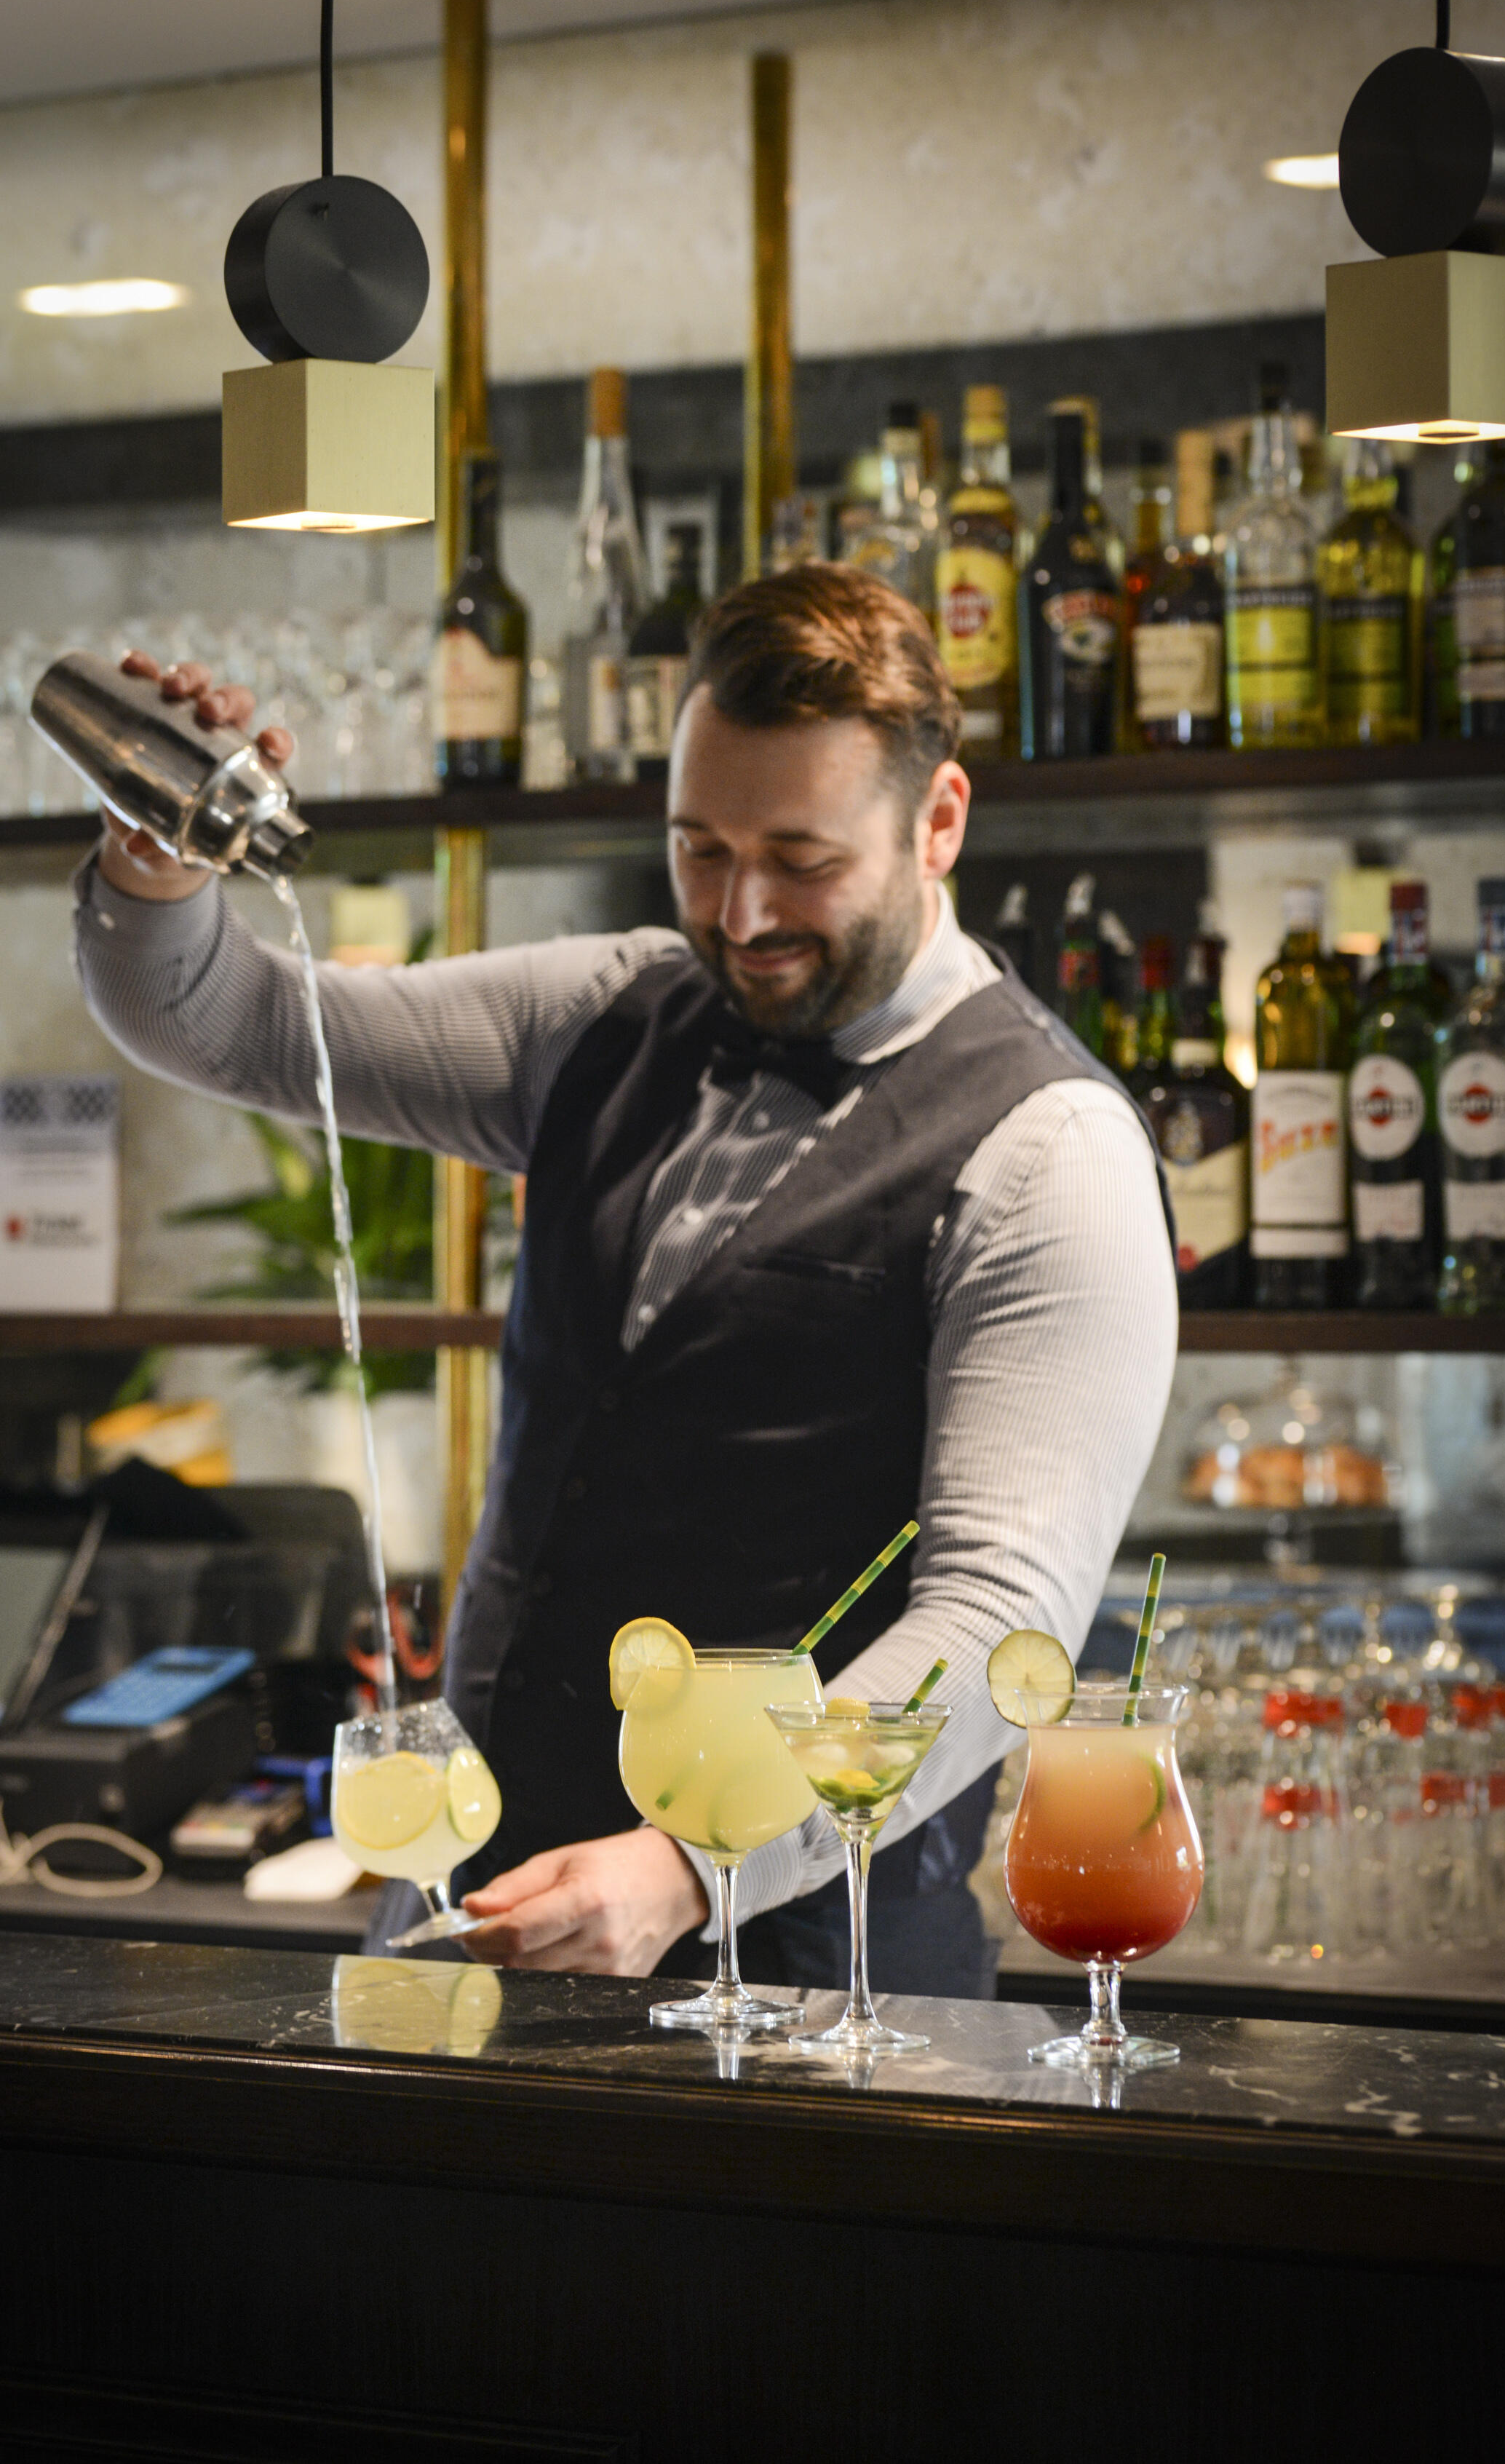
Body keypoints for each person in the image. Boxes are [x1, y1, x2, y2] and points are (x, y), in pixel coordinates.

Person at [76, 564, 1177, 1993]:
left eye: (802, 859)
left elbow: (993, 1623)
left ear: (940, 822)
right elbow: (233, 1026)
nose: (742, 912)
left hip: (808, 1977)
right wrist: (158, 867)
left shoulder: (1053, 1154)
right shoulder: (606, 1012)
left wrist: (695, 1862)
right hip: (472, 1916)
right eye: (698, 849)